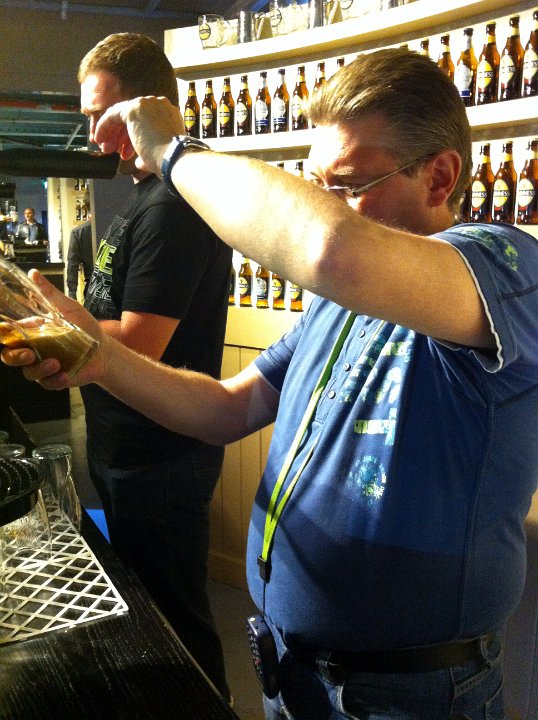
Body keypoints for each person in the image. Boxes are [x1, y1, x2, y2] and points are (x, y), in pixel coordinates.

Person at [4, 48, 538, 720]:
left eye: (348, 185)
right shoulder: (339, 305)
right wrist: (100, 358)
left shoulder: (505, 266)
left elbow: (332, 249)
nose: (327, 205)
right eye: (317, 185)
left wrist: (174, 151)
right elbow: (226, 409)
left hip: (408, 693)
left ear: (440, 176)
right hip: (293, 669)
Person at [66, 32, 232, 701]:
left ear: (144, 108)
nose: (95, 137)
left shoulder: (173, 204)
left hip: (159, 455)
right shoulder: (147, 194)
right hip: (131, 448)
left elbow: (140, 342)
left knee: (175, 623)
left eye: (102, 116)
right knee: (151, 611)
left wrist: (54, 320)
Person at [66, 195, 94, 299]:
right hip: (121, 289)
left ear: (86, 208)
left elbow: (72, 266)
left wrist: (72, 294)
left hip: (93, 289)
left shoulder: (78, 233)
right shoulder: (119, 229)